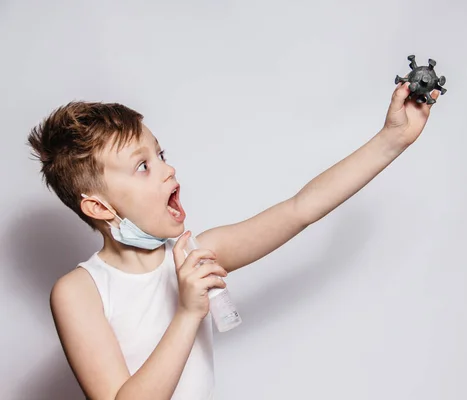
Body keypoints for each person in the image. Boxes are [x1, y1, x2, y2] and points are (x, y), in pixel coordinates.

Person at [27, 81, 440, 399]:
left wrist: (393, 139)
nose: (168, 171)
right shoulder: (80, 292)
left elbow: (300, 209)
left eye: (161, 155)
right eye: (142, 167)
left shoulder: (194, 254)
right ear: (100, 208)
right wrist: (188, 313)